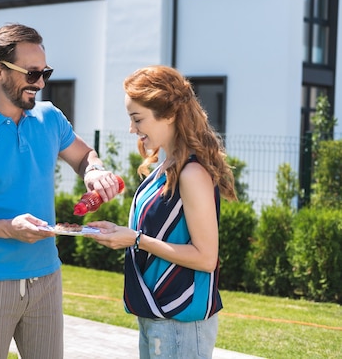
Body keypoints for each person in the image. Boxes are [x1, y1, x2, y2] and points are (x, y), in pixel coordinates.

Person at [0, 23, 121, 359]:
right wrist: (7, 228)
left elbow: (83, 156)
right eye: (32, 73)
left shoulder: (50, 118)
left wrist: (94, 170)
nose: (41, 83)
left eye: (44, 72)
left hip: (46, 277)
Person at [87, 65, 237, 359]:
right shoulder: (167, 165)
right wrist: (123, 235)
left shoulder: (191, 173)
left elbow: (206, 258)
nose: (132, 129)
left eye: (137, 118)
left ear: (168, 115)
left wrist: (135, 239)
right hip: (158, 313)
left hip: (179, 320)